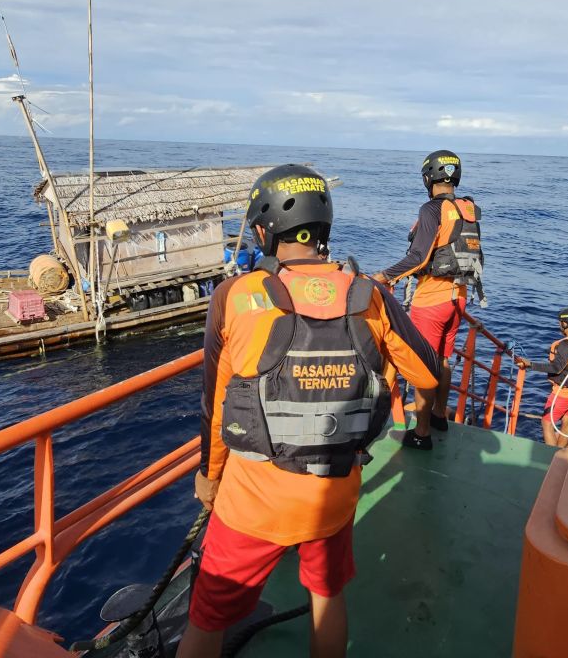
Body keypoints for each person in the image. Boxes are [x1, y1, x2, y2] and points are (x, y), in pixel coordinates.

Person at [179, 164, 441, 658]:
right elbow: (429, 374)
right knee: (326, 595)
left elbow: (216, 404)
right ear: (324, 228)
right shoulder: (371, 295)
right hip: (333, 492)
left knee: (207, 617)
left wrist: (209, 476)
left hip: (253, 500)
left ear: (263, 228)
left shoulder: (233, 296)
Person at [372, 150, 484, 451]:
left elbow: (418, 257)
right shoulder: (466, 208)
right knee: (443, 361)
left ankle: (421, 433)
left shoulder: (431, 210)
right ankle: (437, 416)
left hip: (432, 299)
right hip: (458, 297)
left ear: (427, 178)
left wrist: (382, 276)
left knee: (422, 363)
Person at [519, 308, 568, 447]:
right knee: (567, 421)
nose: (559, 325)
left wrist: (530, 364)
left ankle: (551, 456)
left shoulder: (566, 345)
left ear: (565, 324)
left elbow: (556, 368)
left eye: (560, 322)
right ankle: (560, 452)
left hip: (564, 392)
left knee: (547, 422)